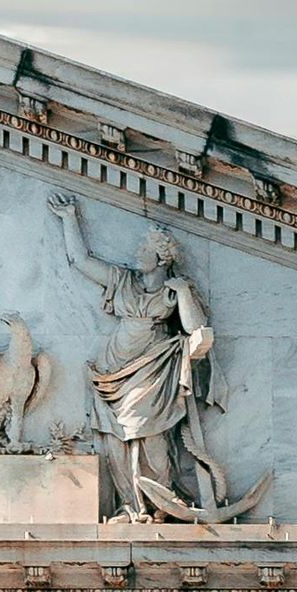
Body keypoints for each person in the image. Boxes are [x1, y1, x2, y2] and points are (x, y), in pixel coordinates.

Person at [47, 190, 228, 518]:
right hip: (112, 374)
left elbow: (197, 329)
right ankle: (131, 506)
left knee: (152, 441)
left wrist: (184, 292)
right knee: (117, 444)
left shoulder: (174, 292)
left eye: (145, 248)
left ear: (161, 258)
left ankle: (161, 503)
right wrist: (70, 219)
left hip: (152, 375)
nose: (137, 251)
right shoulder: (123, 281)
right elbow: (82, 261)